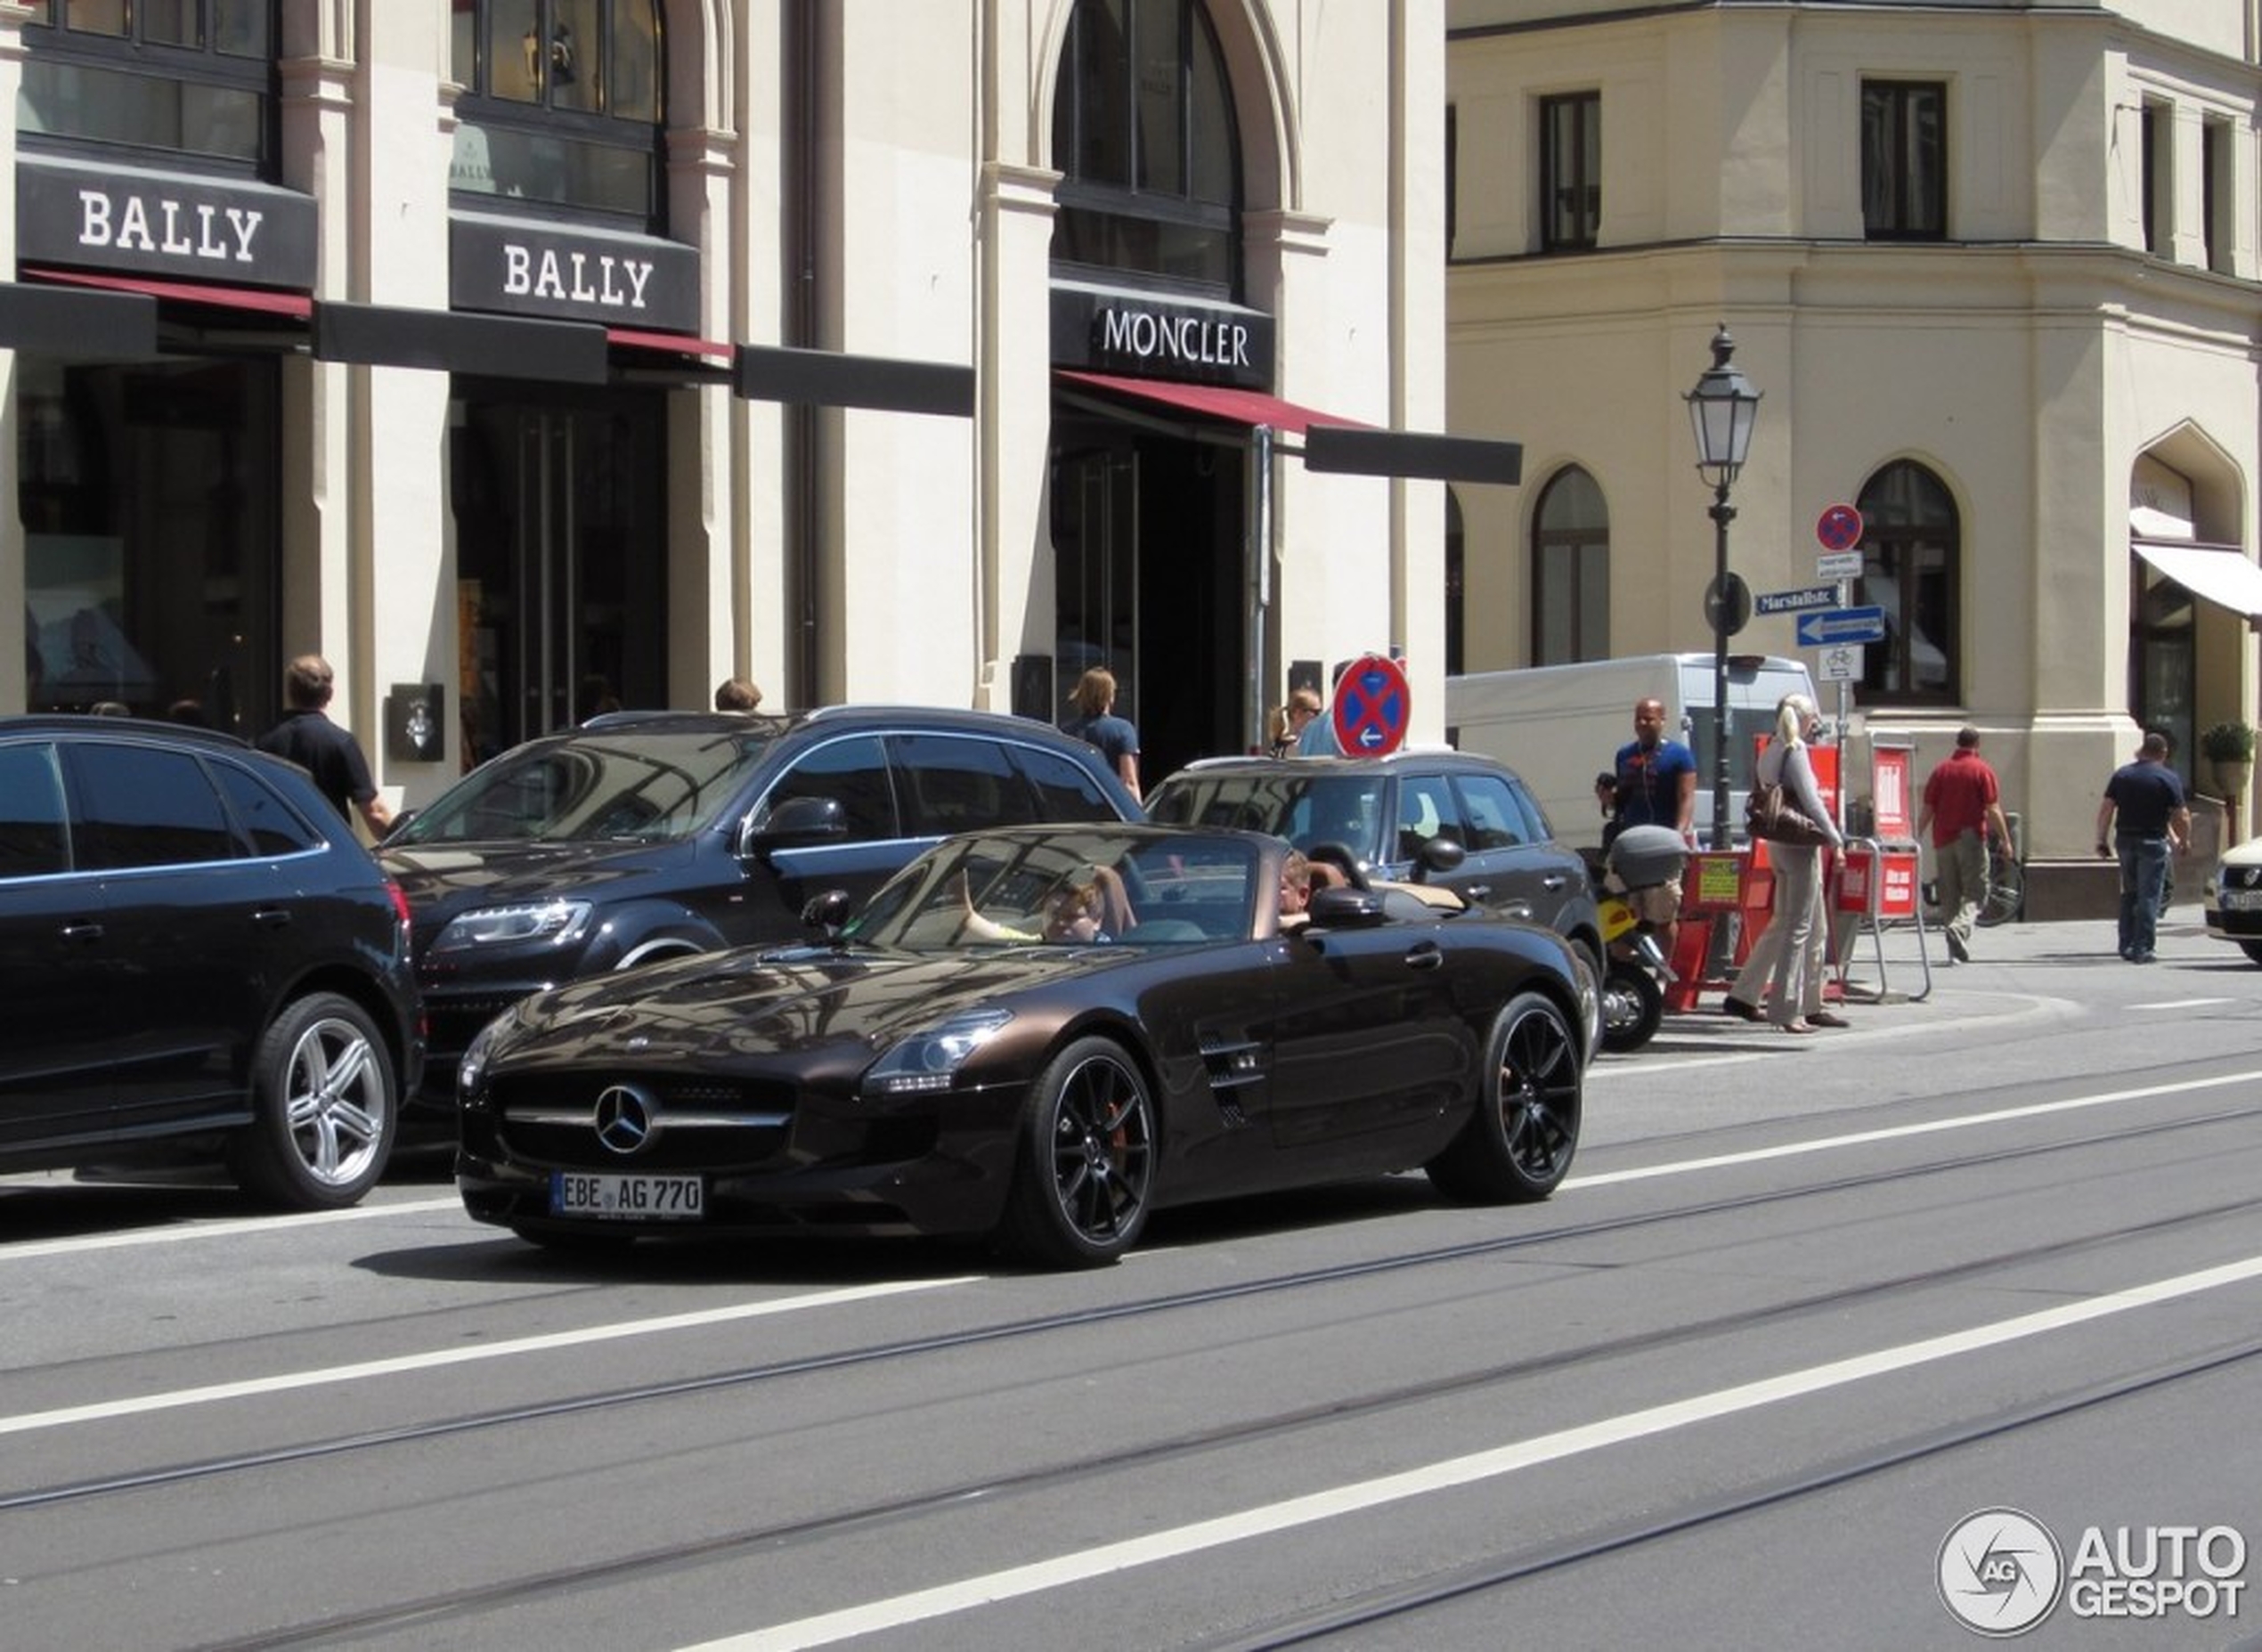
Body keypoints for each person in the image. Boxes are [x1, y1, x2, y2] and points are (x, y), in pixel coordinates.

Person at [1721, 693, 1845, 1033]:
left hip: (1776, 843)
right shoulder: (1796, 751)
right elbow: (1811, 801)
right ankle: (1789, 1010)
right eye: (1813, 718)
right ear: (1803, 719)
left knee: (1797, 923)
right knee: (1800, 926)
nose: (1815, 724)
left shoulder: (1771, 750)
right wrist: (1836, 838)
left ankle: (1753, 995)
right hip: (1799, 845)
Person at [256, 654, 395, 838]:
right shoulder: (341, 742)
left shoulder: (263, 741)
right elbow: (373, 812)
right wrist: (399, 847)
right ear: (329, 694)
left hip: (278, 850)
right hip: (329, 851)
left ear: (289, 692)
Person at [1916, 727, 2013, 964]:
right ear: (1977, 744)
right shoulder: (1981, 770)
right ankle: (1959, 930)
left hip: (1942, 838)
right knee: (1976, 892)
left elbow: (1928, 808)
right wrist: (2005, 839)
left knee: (1949, 894)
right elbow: (1992, 808)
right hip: (1970, 837)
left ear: (1957, 743)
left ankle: (1954, 953)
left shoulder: (1941, 770)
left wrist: (1915, 836)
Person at [2095, 729, 2191, 964]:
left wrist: (2101, 839)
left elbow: (2106, 809)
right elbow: (2182, 815)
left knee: (2130, 892)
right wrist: (2184, 840)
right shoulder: (2168, 778)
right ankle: (2144, 947)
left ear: (2142, 751)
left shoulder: (2123, 775)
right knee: (2149, 895)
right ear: (2164, 753)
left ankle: (2126, 943)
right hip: (2153, 842)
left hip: (2125, 840)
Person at [1611, 697, 1696, 842]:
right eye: (1638, 719)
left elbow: (1686, 797)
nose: (1642, 723)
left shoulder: (1679, 754)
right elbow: (1623, 801)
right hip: (1633, 837)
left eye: (1648, 719)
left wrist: (1678, 834)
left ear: (1662, 721)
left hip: (1667, 836)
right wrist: (1609, 798)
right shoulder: (1624, 754)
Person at [1062, 667, 1142, 802]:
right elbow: (1128, 782)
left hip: (1073, 807)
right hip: (1108, 809)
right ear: (1109, 696)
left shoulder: (1065, 731)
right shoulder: (1123, 729)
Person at [1265, 688, 1322, 758]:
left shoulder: (1280, 742)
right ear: (1297, 713)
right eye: (1316, 712)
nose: (1320, 717)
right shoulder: (1293, 745)